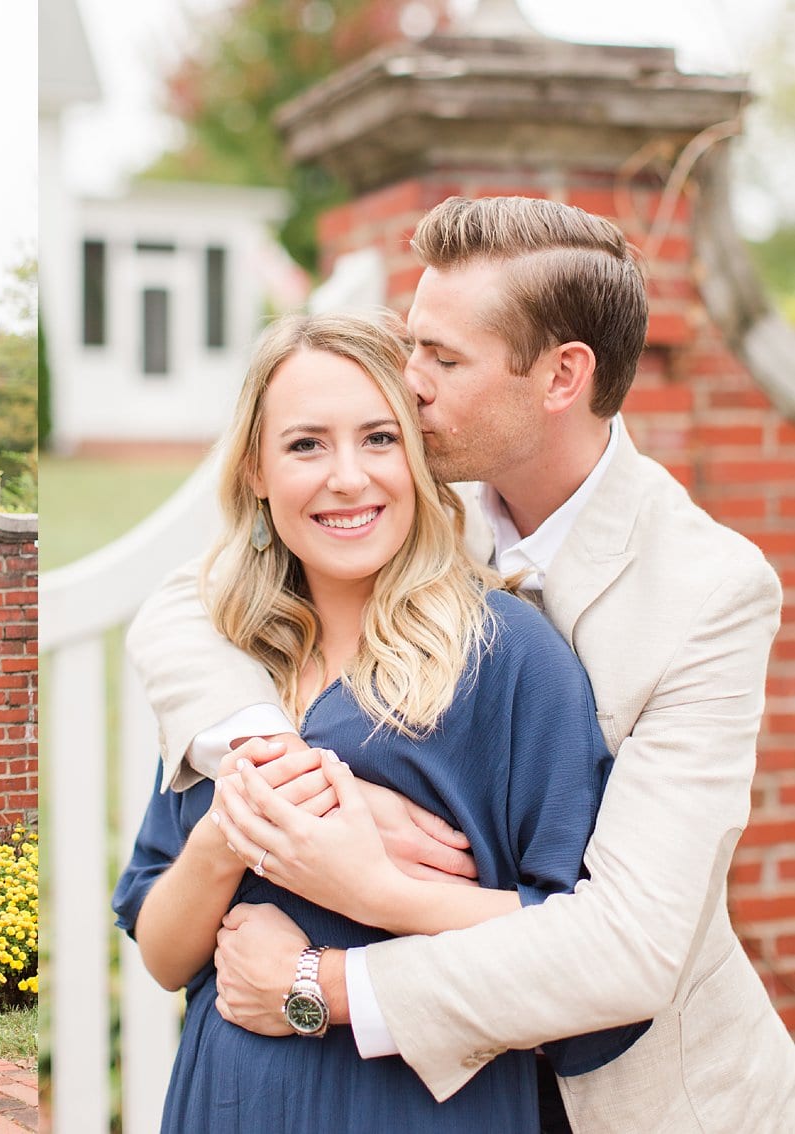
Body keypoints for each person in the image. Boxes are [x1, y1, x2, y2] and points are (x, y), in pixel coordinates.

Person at [127, 196, 795, 1131]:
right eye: (411, 346)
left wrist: (337, 939)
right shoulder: (420, 509)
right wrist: (287, 774)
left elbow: (628, 947)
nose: (409, 381)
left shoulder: (708, 590)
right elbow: (187, 603)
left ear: (561, 376)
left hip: (630, 1099)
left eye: (441, 359)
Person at [113, 311, 636, 1131]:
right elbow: (162, 952)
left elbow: (584, 963)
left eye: (380, 439)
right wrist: (231, 828)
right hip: (226, 1101)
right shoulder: (232, 668)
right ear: (255, 468)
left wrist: (340, 948)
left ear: (420, 460)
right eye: (305, 445)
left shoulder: (507, 656)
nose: (348, 477)